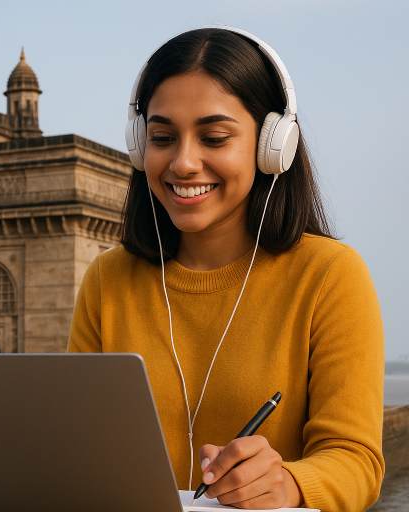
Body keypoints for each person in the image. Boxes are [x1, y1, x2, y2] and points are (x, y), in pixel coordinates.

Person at [67, 27, 384, 512]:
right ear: (138, 146)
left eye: (214, 137)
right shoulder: (107, 281)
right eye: (162, 138)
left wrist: (289, 484)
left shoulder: (330, 276)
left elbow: (356, 460)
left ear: (273, 145)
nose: (184, 162)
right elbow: (79, 449)